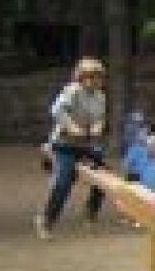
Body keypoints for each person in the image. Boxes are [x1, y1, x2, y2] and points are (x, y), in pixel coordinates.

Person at [36, 57, 110, 239]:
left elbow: (99, 118)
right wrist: (71, 126)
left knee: (104, 176)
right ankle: (46, 221)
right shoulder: (72, 91)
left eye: (98, 77)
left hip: (85, 144)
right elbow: (57, 110)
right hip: (64, 144)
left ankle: (90, 214)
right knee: (63, 182)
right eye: (91, 77)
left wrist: (98, 126)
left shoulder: (100, 96)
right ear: (82, 77)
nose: (95, 81)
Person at [121, 109, 155, 193]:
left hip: (146, 174)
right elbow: (126, 164)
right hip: (141, 174)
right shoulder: (136, 145)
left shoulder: (149, 141)